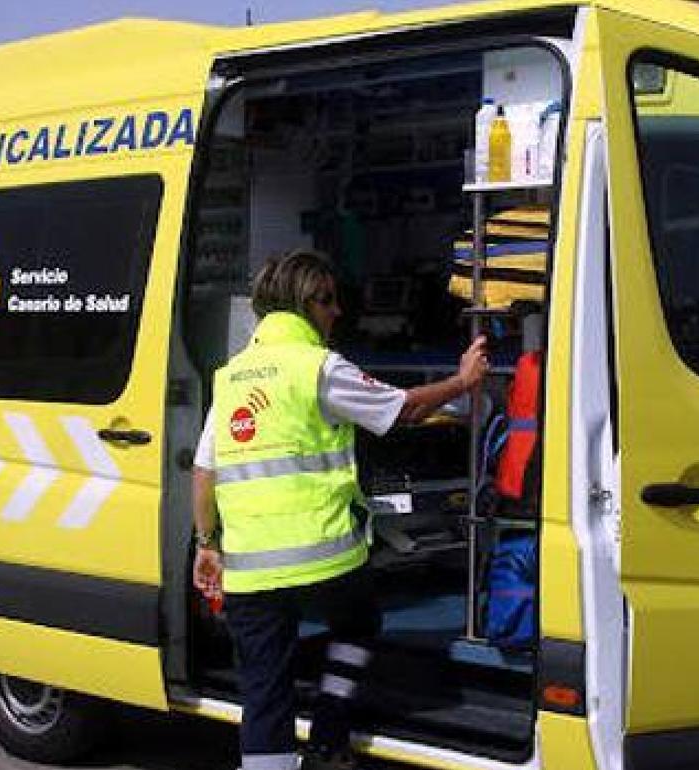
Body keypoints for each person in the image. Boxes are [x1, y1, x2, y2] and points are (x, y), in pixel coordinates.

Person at [191, 248, 489, 770]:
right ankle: (329, 734)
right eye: (331, 302)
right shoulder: (318, 367)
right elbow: (403, 409)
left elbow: (204, 471)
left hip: (247, 571)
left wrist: (206, 545)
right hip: (323, 563)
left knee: (265, 696)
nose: (339, 313)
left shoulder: (232, 376)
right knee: (360, 621)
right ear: (308, 303)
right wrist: (463, 383)